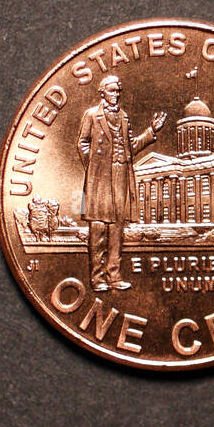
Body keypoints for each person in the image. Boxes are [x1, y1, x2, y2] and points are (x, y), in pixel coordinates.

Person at [77, 75, 166, 291]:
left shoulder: (124, 117)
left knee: (117, 229)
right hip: (99, 179)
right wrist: (94, 167)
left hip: (121, 177)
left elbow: (130, 147)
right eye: (112, 90)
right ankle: (97, 279)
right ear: (102, 93)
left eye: (118, 91)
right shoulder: (91, 115)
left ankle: (114, 276)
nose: (115, 94)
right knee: (98, 228)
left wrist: (151, 131)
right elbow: (82, 143)